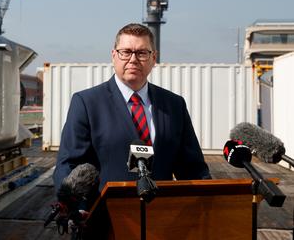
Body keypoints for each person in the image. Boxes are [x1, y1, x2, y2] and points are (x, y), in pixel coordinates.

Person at [53, 23, 211, 195]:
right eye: (126, 52)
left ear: (154, 58)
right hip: (106, 215)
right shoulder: (86, 103)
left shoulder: (174, 105)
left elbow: (192, 167)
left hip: (161, 214)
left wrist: (207, 202)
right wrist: (74, 206)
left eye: (142, 53)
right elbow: (69, 165)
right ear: (114, 56)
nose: (133, 59)